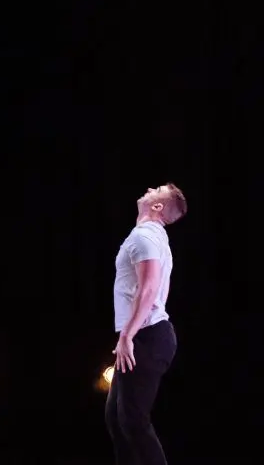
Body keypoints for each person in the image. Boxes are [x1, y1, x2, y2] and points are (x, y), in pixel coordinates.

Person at [105, 183, 188, 465]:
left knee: (133, 422)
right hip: (145, 335)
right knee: (117, 419)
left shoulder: (145, 237)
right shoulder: (151, 236)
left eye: (157, 190)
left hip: (147, 335)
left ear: (157, 207)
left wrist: (127, 335)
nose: (150, 189)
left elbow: (149, 287)